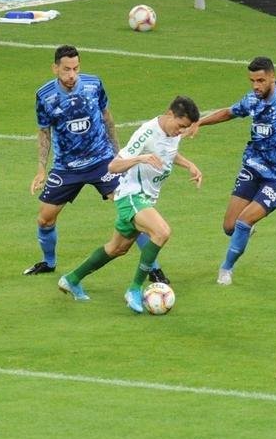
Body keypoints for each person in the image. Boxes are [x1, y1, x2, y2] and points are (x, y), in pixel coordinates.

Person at [26, 45, 172, 283]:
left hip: (101, 160)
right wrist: (41, 168)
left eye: (75, 68)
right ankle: (49, 262)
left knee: (131, 212)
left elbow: (108, 119)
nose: (71, 74)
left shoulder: (94, 85)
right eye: (66, 69)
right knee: (45, 218)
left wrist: (119, 157)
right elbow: (44, 132)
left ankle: (153, 269)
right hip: (66, 167)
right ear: (55, 68)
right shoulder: (45, 95)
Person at [57, 96, 202, 313]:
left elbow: (168, 153)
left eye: (185, 128)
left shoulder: (173, 132)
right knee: (161, 232)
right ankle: (134, 289)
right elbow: (113, 167)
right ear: (170, 114)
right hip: (131, 195)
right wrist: (140, 158)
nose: (181, 132)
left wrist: (189, 164)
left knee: (117, 248)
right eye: (180, 126)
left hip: (146, 197)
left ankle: (72, 279)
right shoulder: (146, 132)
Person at [195, 58, 276, 285]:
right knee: (229, 226)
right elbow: (229, 112)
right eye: (252, 81)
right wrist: (199, 123)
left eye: (261, 80)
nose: (256, 86)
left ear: (273, 77)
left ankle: (226, 270)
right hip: (253, 167)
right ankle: (245, 230)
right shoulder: (252, 99)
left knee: (243, 221)